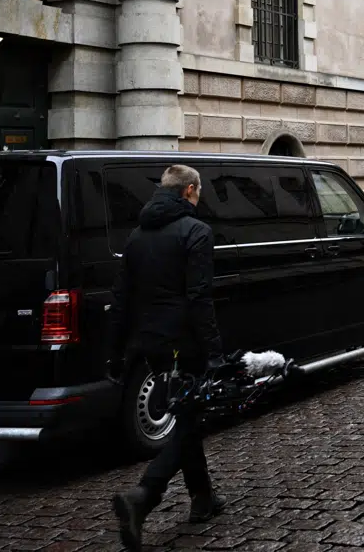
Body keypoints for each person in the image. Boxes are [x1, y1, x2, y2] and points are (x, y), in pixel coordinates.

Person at [108, 164, 225, 551]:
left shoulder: (137, 236)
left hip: (152, 346)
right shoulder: (197, 232)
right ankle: (144, 496)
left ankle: (203, 499)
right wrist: (214, 354)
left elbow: (122, 299)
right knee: (190, 421)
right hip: (185, 344)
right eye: (199, 191)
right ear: (189, 191)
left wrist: (116, 352)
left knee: (187, 416)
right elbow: (199, 298)